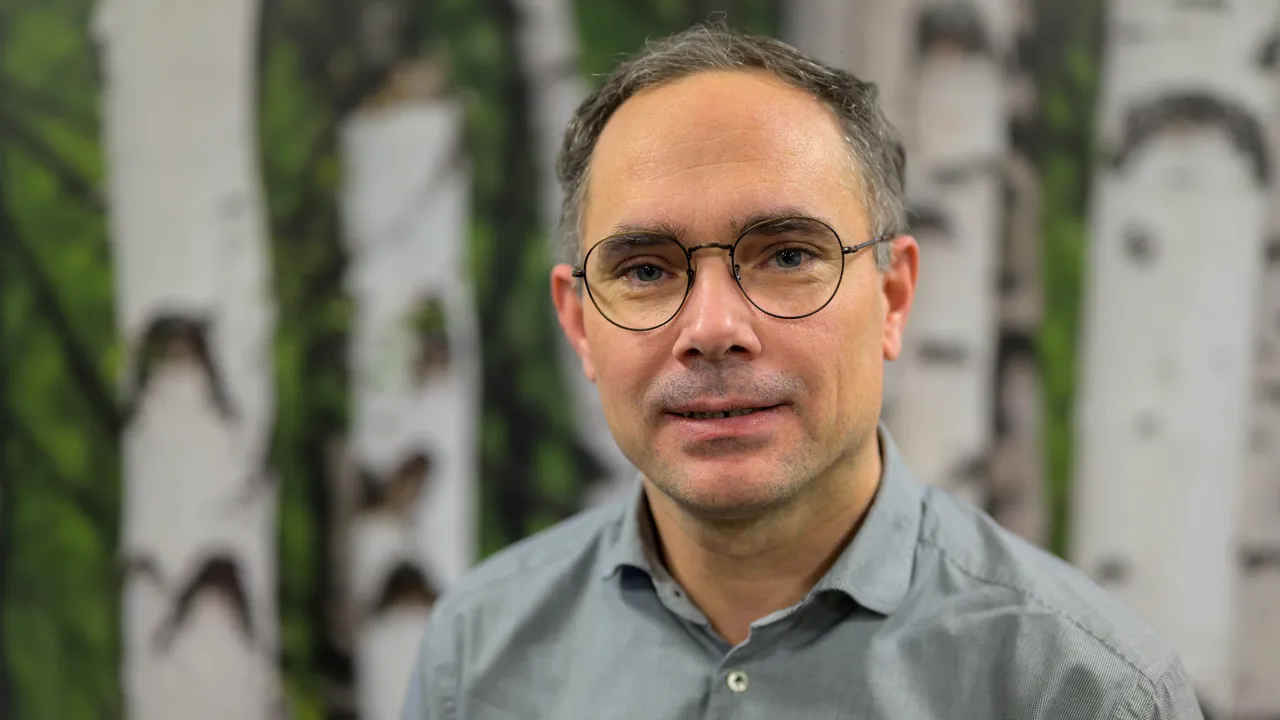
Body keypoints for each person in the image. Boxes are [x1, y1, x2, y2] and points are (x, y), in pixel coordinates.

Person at [402, 24, 1203, 720]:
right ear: (579, 322)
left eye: (787, 255)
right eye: (645, 270)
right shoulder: (477, 651)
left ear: (892, 297)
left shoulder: (1087, 691)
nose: (713, 330)